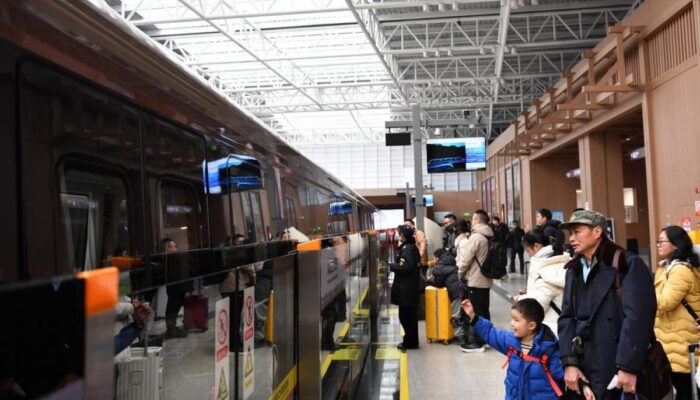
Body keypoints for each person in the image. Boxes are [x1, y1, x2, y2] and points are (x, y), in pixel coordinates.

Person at [557, 210, 656, 399]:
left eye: (577, 232)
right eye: (571, 233)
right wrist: (569, 362)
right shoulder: (574, 269)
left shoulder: (626, 263)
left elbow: (637, 318)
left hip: (615, 362)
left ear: (597, 232)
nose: (571, 238)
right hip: (583, 363)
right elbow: (567, 317)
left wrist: (628, 366)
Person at [462, 298, 565, 400]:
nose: (511, 323)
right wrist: (473, 316)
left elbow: (563, 375)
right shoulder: (511, 341)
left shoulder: (548, 349)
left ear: (531, 325)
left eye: (516, 320)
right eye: (512, 318)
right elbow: (490, 333)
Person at [654, 225, 700, 399]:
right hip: (674, 338)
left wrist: (645, 296)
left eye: (662, 241)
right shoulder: (669, 267)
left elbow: (665, 302)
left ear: (676, 245)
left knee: (686, 390)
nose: (658, 244)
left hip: (681, 339)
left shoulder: (680, 270)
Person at [515, 229, 570, 336]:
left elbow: (536, 307)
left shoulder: (545, 271)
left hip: (552, 331)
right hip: (563, 326)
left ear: (537, 246)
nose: (529, 256)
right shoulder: (560, 261)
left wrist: (520, 299)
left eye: (528, 251)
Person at [457, 209, 494, 353]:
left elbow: (466, 259)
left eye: (473, 219)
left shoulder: (476, 237)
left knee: (477, 312)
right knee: (484, 310)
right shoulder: (488, 235)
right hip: (485, 279)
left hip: (476, 279)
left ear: (478, 220)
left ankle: (478, 342)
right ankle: (486, 339)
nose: (471, 221)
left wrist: (460, 273)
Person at [390, 224, 421, 350]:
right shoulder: (411, 247)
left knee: (406, 317)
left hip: (406, 290)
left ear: (403, 235)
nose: (398, 235)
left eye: (399, 232)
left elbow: (405, 267)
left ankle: (410, 342)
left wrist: (392, 266)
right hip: (410, 288)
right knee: (410, 317)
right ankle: (411, 340)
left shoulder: (407, 249)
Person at [161, 237, 191, 339]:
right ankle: (171, 329)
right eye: (171, 247)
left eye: (175, 246)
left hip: (180, 286)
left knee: (176, 306)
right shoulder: (167, 259)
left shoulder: (178, 257)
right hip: (174, 287)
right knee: (172, 307)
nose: (174, 248)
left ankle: (172, 327)